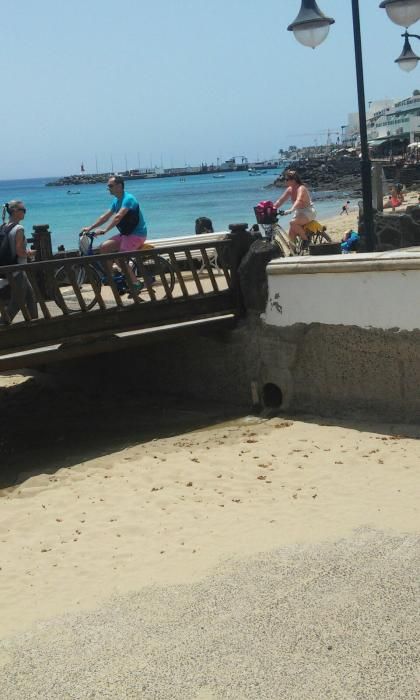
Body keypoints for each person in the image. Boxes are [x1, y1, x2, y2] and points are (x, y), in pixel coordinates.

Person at [82, 175, 147, 289]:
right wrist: (90, 228)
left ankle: (136, 283)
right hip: (126, 234)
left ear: (119, 186)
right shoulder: (116, 201)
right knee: (104, 247)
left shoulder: (128, 199)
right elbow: (105, 217)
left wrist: (105, 230)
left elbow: (118, 217)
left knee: (120, 258)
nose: (108, 188)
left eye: (110, 186)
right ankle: (113, 277)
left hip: (137, 235)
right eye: (108, 186)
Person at [0, 200, 37, 324]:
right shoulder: (19, 228)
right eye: (23, 210)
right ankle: (2, 326)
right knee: (17, 303)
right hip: (17, 270)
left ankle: (35, 325)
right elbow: (20, 251)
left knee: (31, 297)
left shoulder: (3, 227)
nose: (25, 213)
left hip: (9, 268)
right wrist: (30, 253)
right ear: (15, 211)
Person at [273, 170, 316, 245]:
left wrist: (291, 209)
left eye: (287, 180)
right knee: (291, 234)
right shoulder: (290, 189)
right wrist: (271, 208)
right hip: (298, 212)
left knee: (292, 223)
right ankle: (293, 253)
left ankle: (306, 240)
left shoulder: (301, 188)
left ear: (293, 180)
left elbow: (299, 200)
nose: (285, 181)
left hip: (308, 211)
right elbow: (280, 201)